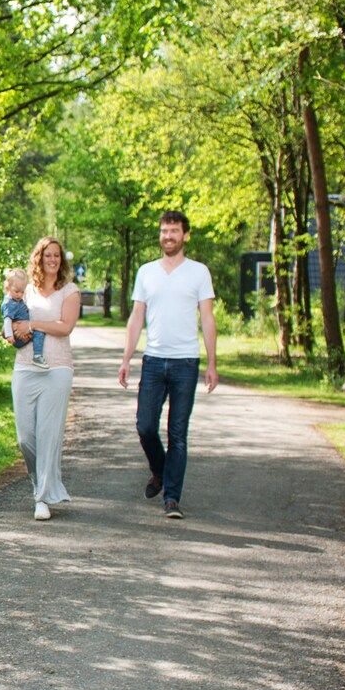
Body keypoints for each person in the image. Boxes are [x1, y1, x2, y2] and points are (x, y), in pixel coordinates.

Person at [116, 210, 219, 519]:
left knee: (178, 433)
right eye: (164, 231)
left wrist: (212, 363)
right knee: (145, 426)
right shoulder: (146, 272)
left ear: (185, 235)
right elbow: (136, 317)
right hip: (153, 361)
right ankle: (160, 471)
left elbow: (208, 319)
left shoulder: (199, 272)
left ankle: (172, 498)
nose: (168, 236)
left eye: (174, 231)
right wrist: (126, 358)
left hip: (186, 362)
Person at [6, 237, 80, 522]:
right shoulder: (26, 290)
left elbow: (65, 326)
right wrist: (10, 330)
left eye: (57, 256)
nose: (53, 260)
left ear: (61, 260)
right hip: (25, 367)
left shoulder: (69, 290)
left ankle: (41, 497)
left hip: (57, 369)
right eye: (48, 255)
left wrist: (33, 324)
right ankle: (40, 484)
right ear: (39, 258)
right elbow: (13, 317)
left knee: (49, 436)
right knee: (25, 437)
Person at [2, 266, 47, 367]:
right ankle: (37, 356)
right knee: (39, 332)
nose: (19, 295)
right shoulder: (9, 303)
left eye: (22, 292)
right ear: (8, 288)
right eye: (16, 291)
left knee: (38, 330)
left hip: (23, 330)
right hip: (18, 335)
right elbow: (7, 320)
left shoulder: (16, 299)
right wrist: (9, 335)